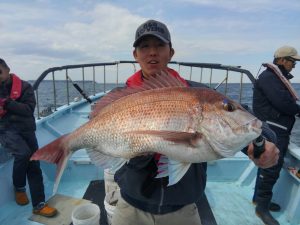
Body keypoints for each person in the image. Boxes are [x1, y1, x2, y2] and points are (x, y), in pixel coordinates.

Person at [112, 19, 280, 225]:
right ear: (135, 55)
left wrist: (261, 142)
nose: (152, 52)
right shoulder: (119, 98)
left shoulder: (199, 94)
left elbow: (238, 120)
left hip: (182, 208)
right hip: (131, 204)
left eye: (159, 45)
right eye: (144, 46)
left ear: (171, 52)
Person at [0, 58, 57, 217]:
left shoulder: (25, 87)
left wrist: (7, 103)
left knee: (34, 163)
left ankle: (39, 204)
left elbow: (28, 109)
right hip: (6, 131)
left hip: (26, 130)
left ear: (8, 69)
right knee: (24, 154)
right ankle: (19, 188)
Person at [252, 46, 300, 225]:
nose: (294, 65)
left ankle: (259, 199)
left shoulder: (273, 77)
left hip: (273, 128)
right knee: (271, 168)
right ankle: (262, 209)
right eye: (292, 61)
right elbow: (284, 103)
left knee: (264, 164)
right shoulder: (270, 78)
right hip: (274, 130)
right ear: (281, 60)